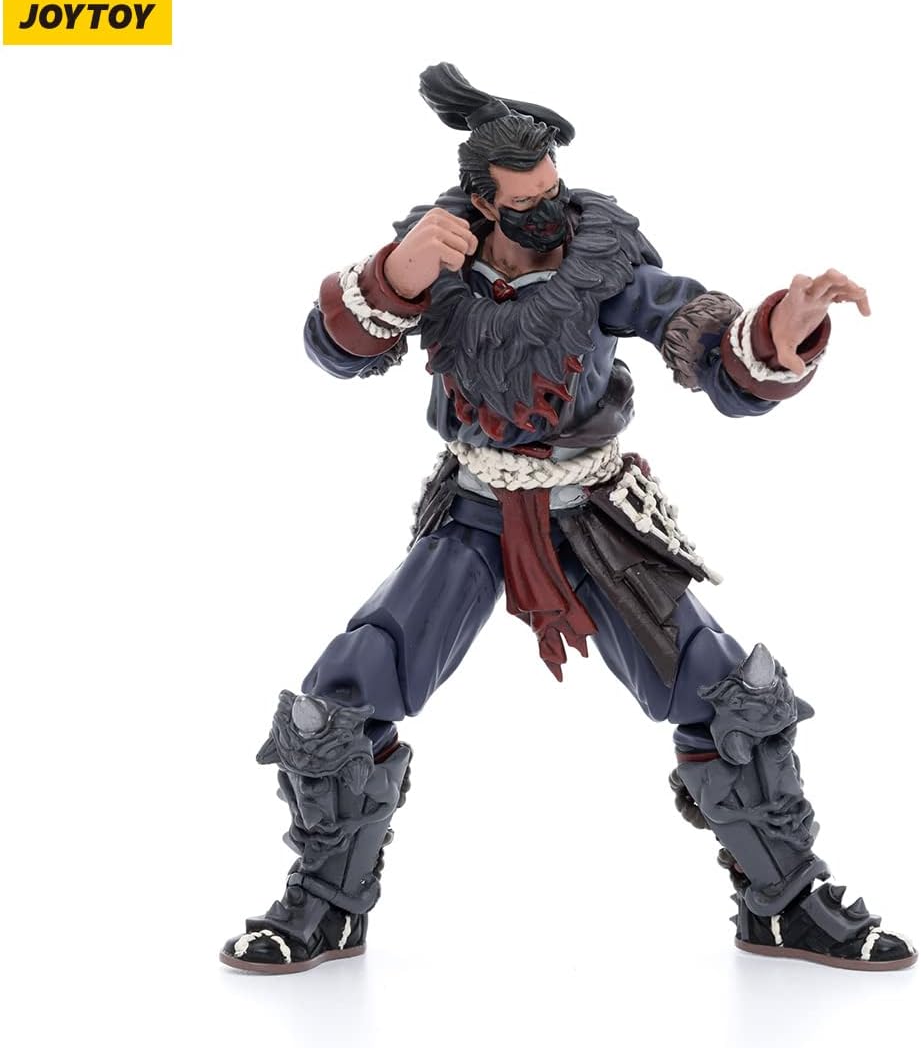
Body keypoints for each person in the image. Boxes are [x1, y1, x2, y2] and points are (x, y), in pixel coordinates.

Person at [220, 63, 916, 974]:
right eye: (526, 200)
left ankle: (783, 904)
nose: (549, 210)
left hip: (591, 509)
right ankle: (324, 907)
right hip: (474, 509)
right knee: (337, 706)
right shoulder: (435, 257)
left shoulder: (600, 261)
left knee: (732, 700)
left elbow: (701, 336)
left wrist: (778, 332)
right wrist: (392, 277)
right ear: (482, 200)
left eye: (552, 189)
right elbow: (335, 350)